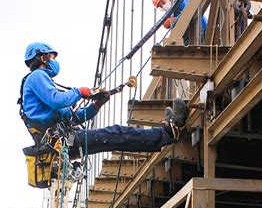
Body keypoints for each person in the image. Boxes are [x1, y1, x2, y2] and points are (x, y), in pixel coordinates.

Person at [19, 42, 189, 159]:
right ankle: (168, 132)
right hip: (62, 142)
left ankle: (167, 134)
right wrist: (80, 92)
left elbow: (74, 118)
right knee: (117, 133)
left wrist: (96, 105)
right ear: (43, 58)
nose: (55, 61)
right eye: (52, 57)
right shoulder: (37, 76)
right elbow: (57, 100)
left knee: (119, 139)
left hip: (65, 141)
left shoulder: (41, 82)